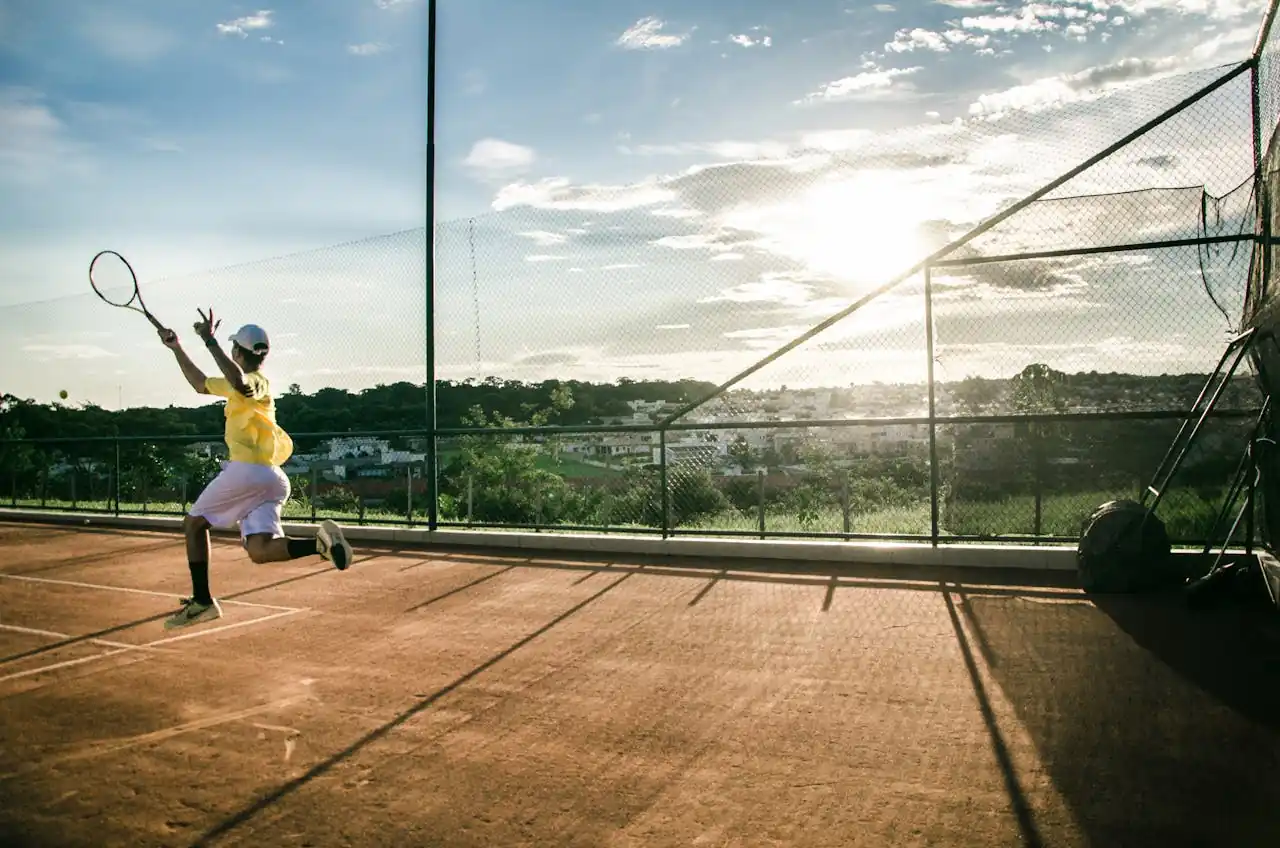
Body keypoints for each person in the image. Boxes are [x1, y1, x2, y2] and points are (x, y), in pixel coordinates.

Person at [158, 307, 352, 630]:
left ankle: (202, 602)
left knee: (193, 525)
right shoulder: (236, 383)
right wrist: (176, 347)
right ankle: (321, 544)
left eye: (232, 347)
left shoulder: (257, 382)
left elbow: (240, 381)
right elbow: (199, 383)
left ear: (237, 352)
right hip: (271, 479)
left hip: (248, 471)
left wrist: (209, 341)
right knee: (260, 551)